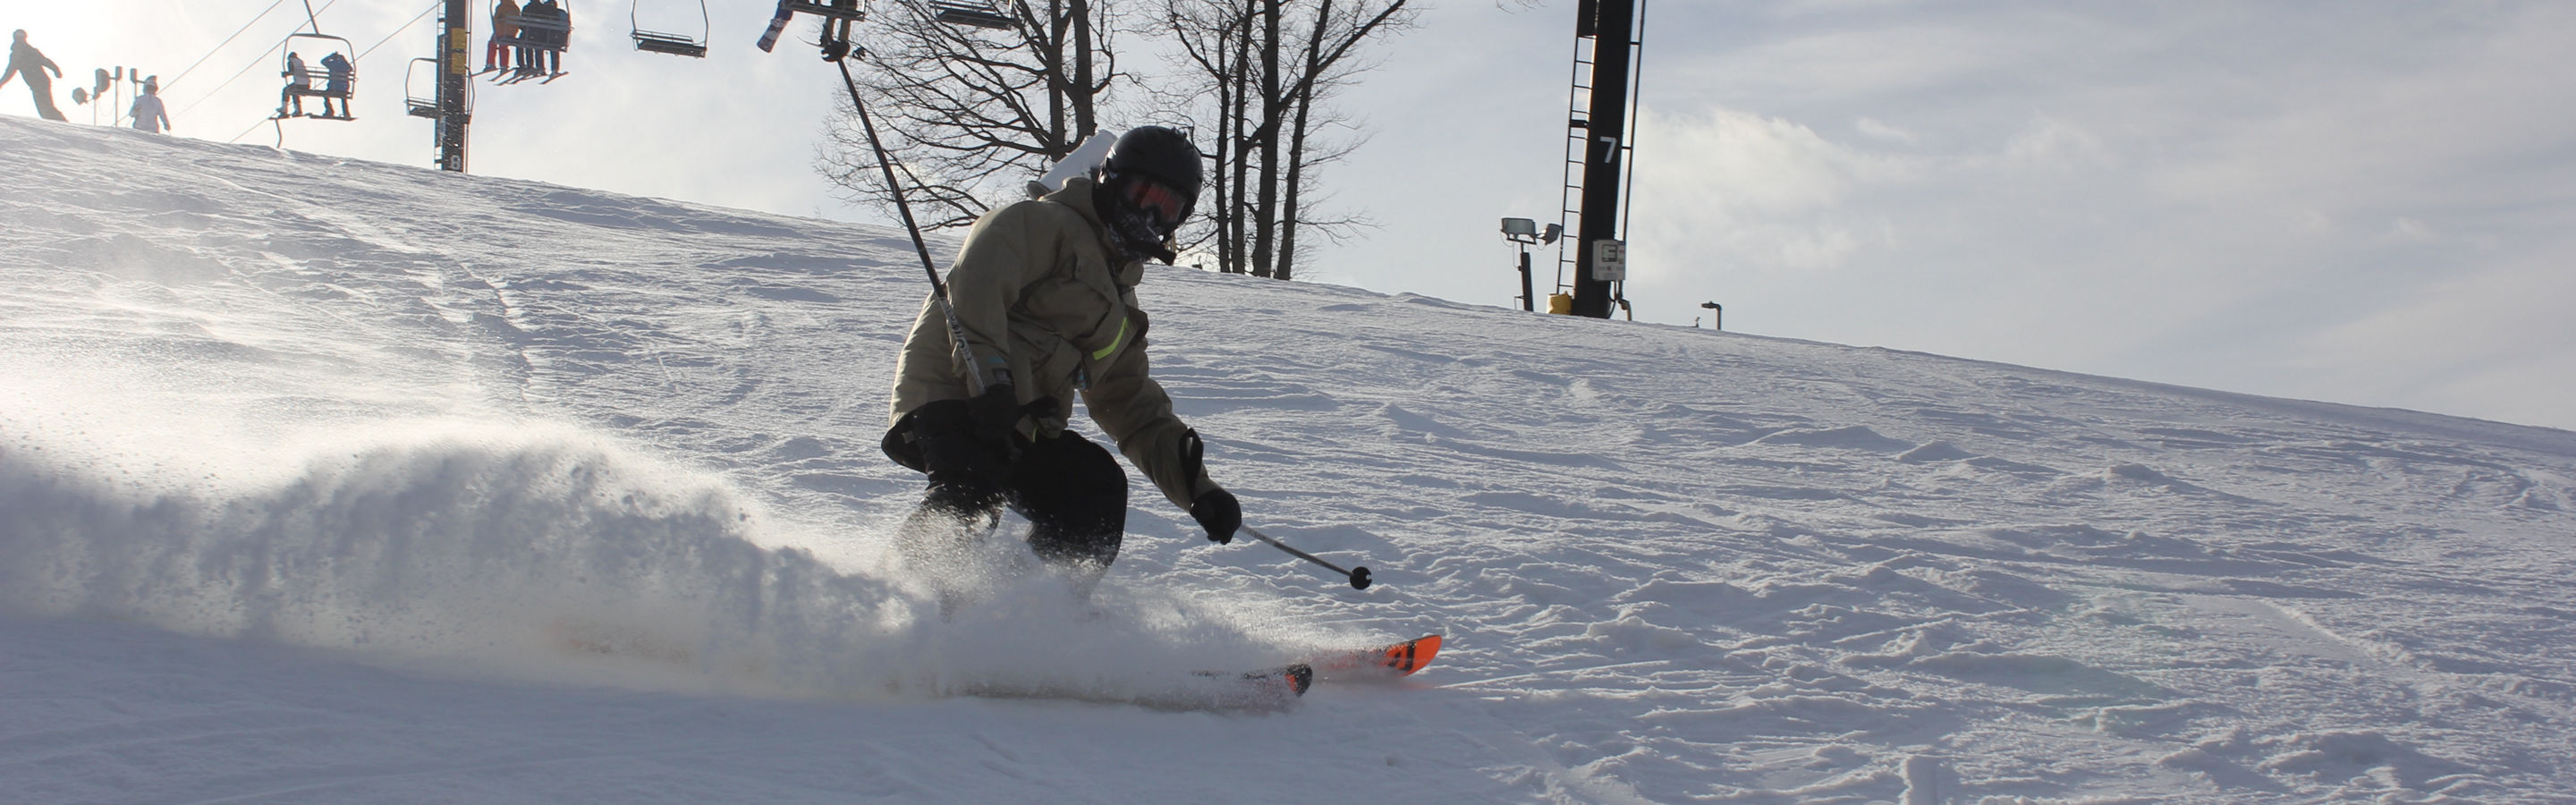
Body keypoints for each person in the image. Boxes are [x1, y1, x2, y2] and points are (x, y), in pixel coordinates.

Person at [881, 125, 1238, 601]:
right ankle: (903, 604)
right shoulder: (1039, 223)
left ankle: (1027, 615)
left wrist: (1197, 489)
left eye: (1168, 207)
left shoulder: (1119, 301)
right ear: (1111, 179)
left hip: (1019, 421)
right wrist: (991, 381)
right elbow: (976, 293)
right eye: (1143, 194)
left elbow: (1130, 402)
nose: (1149, 214)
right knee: (972, 487)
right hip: (956, 391)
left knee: (1093, 488)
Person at [2, 30, 66, 122]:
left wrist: (56, 70)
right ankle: (58, 121)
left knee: (45, 107)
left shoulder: (22, 53)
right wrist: (56, 70)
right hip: (40, 82)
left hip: (39, 82)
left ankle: (59, 122)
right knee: (45, 106)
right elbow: (45, 61)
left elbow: (10, 71)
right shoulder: (26, 51)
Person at [486, 0, 519, 73]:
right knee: (503, 47)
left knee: (492, 43)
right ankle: (504, 66)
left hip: (502, 31)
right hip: (511, 33)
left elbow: (497, 20)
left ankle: (490, 63)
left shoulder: (501, 7)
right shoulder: (515, 8)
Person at [318, 52, 352, 118]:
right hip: (343, 87)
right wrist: (343, 60)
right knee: (343, 97)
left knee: (325, 94)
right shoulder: (344, 65)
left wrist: (330, 57)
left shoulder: (333, 64)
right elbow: (350, 69)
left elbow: (323, 61)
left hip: (333, 87)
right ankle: (346, 113)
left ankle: (329, 111)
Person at [278, 52, 309, 117]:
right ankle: (298, 110)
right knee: (294, 92)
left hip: (299, 83)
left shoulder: (291, 62)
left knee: (286, 90)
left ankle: (284, 109)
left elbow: (292, 72)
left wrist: (285, 74)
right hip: (306, 84)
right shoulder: (300, 61)